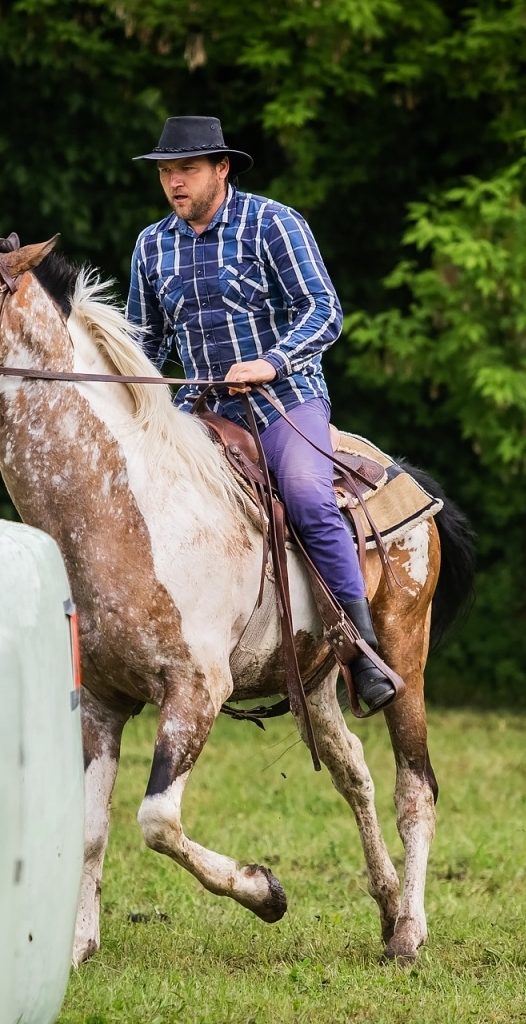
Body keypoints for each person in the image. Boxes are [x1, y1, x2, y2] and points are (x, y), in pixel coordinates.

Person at [126, 115, 396, 709]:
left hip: (285, 400)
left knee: (306, 495)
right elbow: (145, 344)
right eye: (167, 172)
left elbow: (324, 310)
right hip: (198, 411)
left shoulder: (272, 223)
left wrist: (271, 362)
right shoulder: (152, 244)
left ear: (221, 169)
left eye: (187, 170)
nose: (175, 182)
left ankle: (362, 651)